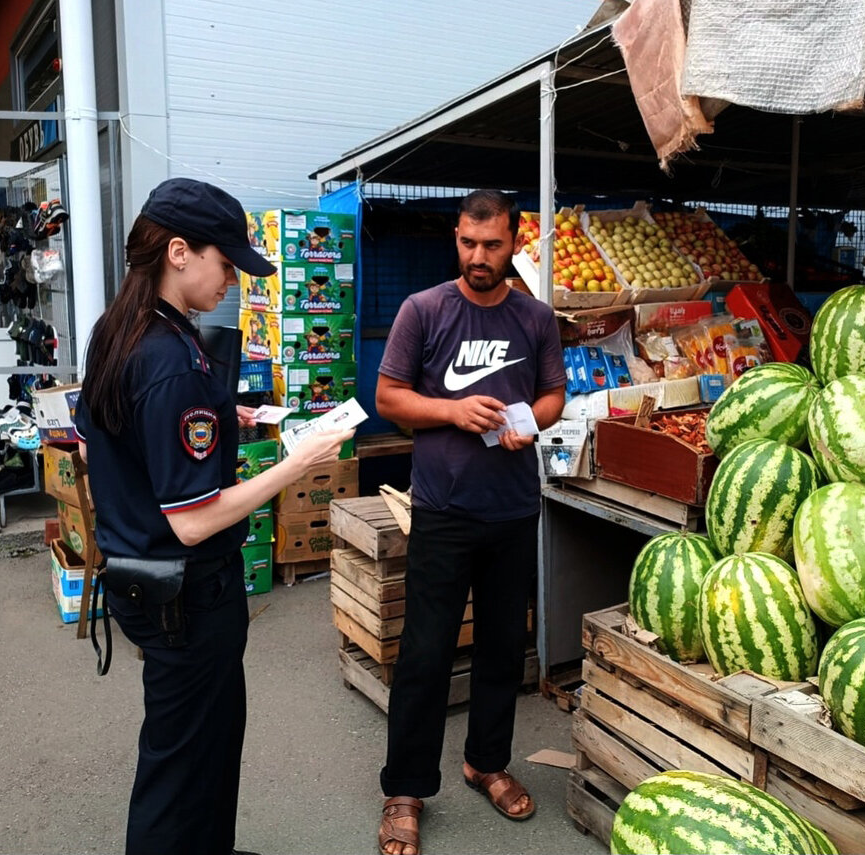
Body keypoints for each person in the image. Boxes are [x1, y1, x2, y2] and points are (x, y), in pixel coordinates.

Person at [74, 177, 352, 855]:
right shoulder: (170, 359)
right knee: (182, 764)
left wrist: (231, 415)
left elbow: (99, 432)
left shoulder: (124, 329)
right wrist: (298, 462)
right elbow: (194, 520)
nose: (232, 281)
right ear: (177, 252)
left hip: (150, 581)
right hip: (188, 593)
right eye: (225, 263)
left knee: (203, 744)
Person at [374, 190, 566, 855]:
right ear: (456, 238)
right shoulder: (423, 310)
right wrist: (453, 413)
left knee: (501, 647)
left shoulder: (536, 317)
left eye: (491, 244)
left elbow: (553, 394)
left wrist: (528, 421)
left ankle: (486, 760)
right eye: (466, 243)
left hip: (511, 508)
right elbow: (388, 396)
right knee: (425, 651)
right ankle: (404, 788)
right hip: (443, 511)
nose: (478, 257)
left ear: (514, 241)